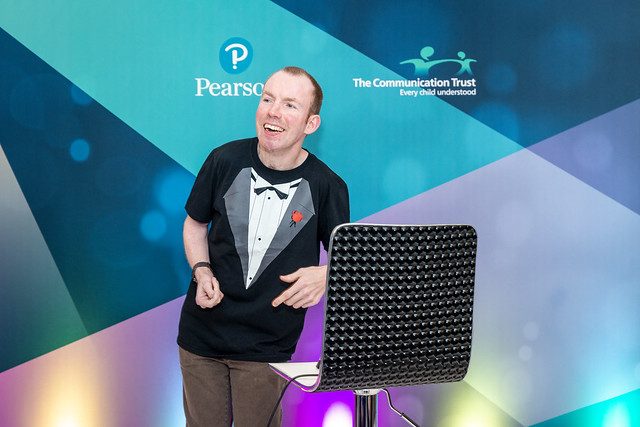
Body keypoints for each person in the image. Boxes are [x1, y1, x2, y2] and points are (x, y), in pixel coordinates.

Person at [177, 66, 350, 427]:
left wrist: (326, 274)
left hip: (268, 347)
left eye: (290, 105)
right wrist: (201, 270)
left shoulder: (327, 185)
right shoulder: (223, 160)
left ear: (311, 124)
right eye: (267, 99)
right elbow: (195, 223)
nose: (273, 111)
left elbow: (349, 262)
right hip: (201, 337)